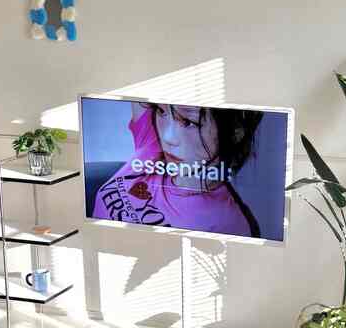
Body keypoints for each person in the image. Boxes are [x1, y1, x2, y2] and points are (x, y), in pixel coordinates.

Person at [92, 102, 262, 237]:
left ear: (235, 131)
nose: (167, 137)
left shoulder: (228, 224)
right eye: (161, 111)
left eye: (189, 122)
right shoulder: (152, 141)